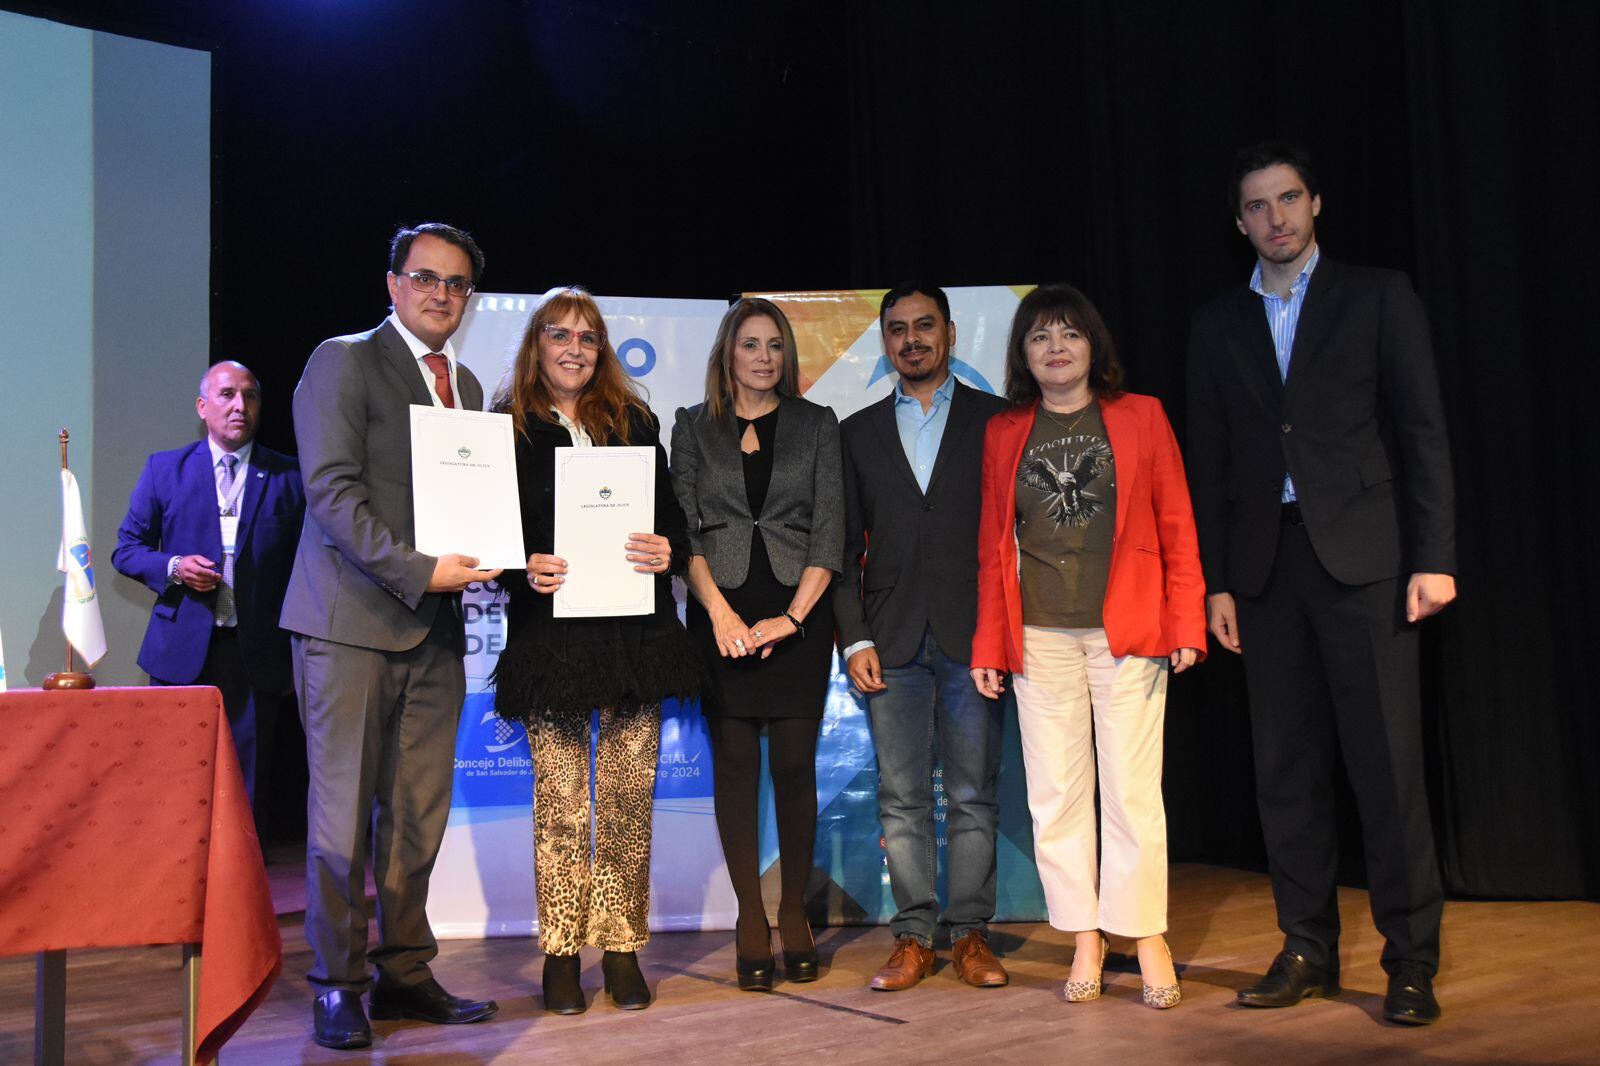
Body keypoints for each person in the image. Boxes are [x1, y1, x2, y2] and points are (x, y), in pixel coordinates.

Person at [1186, 142, 1456, 1025]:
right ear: (1240, 224)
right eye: (1258, 207)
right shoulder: (1218, 323)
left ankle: (1411, 961)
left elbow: (1421, 433)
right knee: (1286, 772)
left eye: (1288, 199)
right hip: (1266, 570)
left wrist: (1435, 555)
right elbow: (1214, 462)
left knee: (1387, 770)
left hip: (1367, 564)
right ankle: (1306, 947)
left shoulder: (1379, 296)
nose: (1276, 218)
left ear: (1315, 204)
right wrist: (1218, 582)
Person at [280, 223, 502, 1050]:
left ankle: (404, 974)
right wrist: (421, 570)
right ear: (393, 284)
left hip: (435, 631)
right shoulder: (343, 360)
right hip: (347, 627)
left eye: (456, 285)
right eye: (426, 278)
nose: (441, 294)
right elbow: (331, 496)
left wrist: (499, 558)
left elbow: (469, 510)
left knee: (418, 818)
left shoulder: (469, 386)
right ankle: (338, 983)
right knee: (340, 824)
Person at [970, 283, 1205, 1009]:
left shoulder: (1141, 417)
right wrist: (989, 641)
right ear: (1025, 354)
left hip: (1128, 633)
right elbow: (990, 547)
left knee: (1133, 791)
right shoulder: (1006, 431)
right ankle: (1083, 933)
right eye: (1041, 337)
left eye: (1070, 333)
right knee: (1057, 795)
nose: (1057, 348)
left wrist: (1186, 622)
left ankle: (1145, 932)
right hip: (1038, 637)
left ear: (1092, 345)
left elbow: (1176, 522)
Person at [492, 285, 700, 1015]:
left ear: (601, 348)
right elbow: (491, 535)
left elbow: (672, 520)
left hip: (635, 640)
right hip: (551, 641)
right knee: (558, 806)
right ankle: (558, 954)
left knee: (625, 801)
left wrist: (663, 546)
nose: (574, 349)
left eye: (587, 336)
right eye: (560, 335)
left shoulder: (635, 421)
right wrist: (525, 565)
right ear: (536, 346)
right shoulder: (507, 427)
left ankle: (620, 949)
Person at [832, 282, 1011, 992]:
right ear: (885, 343)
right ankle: (914, 938)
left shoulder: (999, 423)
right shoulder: (857, 432)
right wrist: (854, 639)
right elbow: (841, 551)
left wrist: (1002, 635)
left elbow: (1016, 541)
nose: (912, 339)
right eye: (898, 329)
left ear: (951, 334)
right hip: (891, 640)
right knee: (902, 798)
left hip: (976, 640)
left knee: (973, 795)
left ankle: (970, 935)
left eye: (924, 326)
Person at [669, 298, 843, 992]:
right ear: (727, 354)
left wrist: (796, 619)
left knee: (796, 763)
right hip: (721, 614)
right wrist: (717, 615)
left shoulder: (816, 425)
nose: (765, 357)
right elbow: (683, 530)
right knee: (736, 763)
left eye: (775, 345)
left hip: (797, 615)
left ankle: (793, 912)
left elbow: (829, 532)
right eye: (751, 344)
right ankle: (749, 916)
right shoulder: (692, 426)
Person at [113, 360, 304, 826]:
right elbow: (127, 550)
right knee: (175, 779)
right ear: (203, 407)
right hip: (181, 653)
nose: (240, 405)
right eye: (227, 395)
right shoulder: (165, 469)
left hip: (255, 654)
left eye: (250, 395)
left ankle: (237, 892)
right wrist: (174, 566)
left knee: (247, 785)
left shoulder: (290, 477)